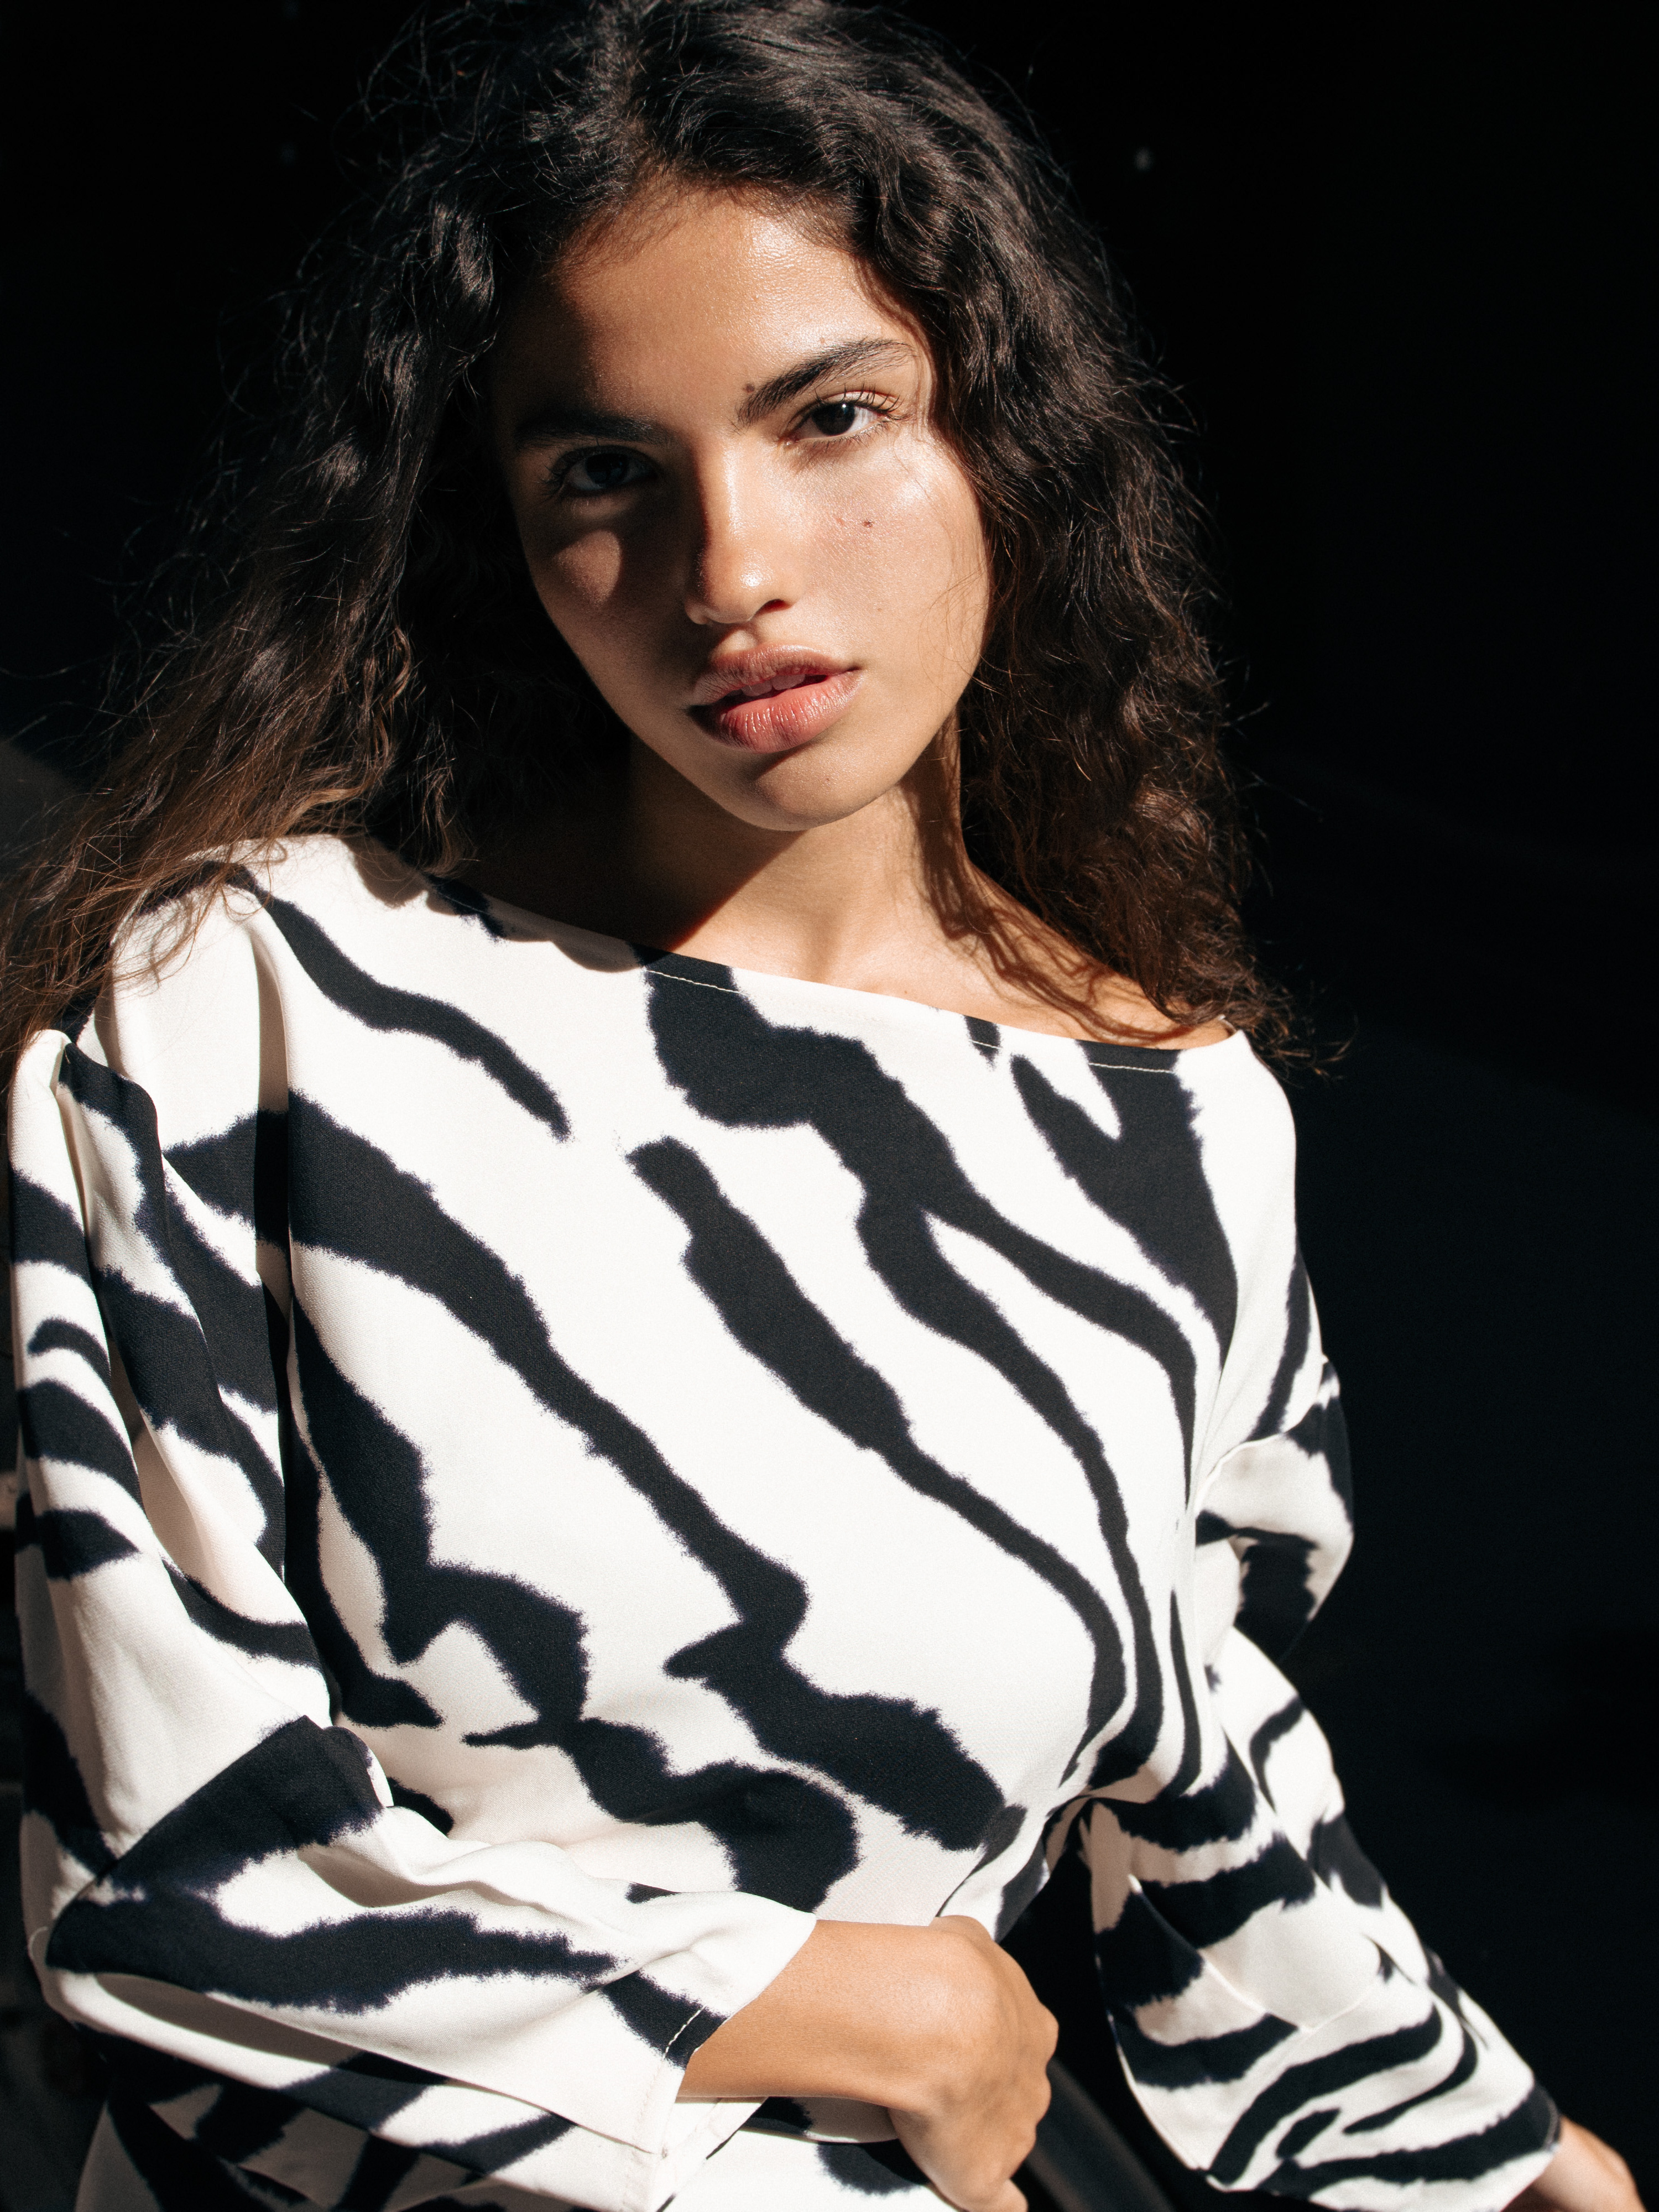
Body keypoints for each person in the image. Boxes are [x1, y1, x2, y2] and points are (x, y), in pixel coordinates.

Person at [1, 4, 1642, 2210]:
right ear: (498, 522)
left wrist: (1490, 2149)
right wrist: (856, 2007)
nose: (733, 572)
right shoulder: (252, 1002)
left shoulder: (1178, 1123)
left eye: (833, 416)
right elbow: (161, 1875)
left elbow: (1202, 1766)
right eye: (606, 472)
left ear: (1008, 438)